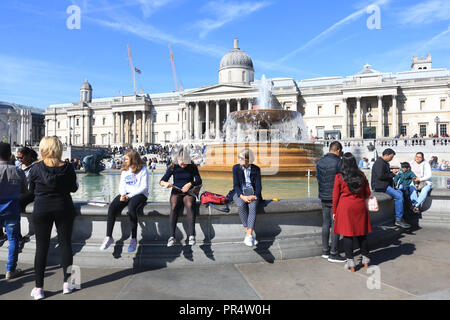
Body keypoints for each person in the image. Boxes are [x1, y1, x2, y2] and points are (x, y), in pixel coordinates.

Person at [28, 137, 79, 299]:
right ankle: (68, 284)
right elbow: (73, 188)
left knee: (41, 248)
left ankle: (38, 289)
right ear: (59, 149)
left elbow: (31, 190)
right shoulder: (68, 167)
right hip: (64, 207)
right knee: (66, 245)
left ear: (43, 148)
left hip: (42, 208)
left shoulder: (35, 168)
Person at [100, 149, 149, 252]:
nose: (124, 161)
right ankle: (109, 236)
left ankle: (134, 239)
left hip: (140, 194)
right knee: (112, 207)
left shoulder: (143, 169)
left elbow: (144, 187)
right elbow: (122, 185)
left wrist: (129, 196)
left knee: (131, 209)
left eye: (126, 159)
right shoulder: (125, 170)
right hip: (126, 194)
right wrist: (122, 194)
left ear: (133, 159)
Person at [332, 153, 372, 272]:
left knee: (347, 235)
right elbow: (367, 193)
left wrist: (334, 211)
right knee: (362, 234)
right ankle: (365, 259)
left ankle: (351, 261)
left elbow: (335, 196)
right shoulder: (362, 175)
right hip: (359, 206)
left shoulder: (339, 177)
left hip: (345, 207)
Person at [160, 148, 202, 247]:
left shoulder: (192, 167)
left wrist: (190, 184)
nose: (182, 165)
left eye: (184, 163)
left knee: (190, 204)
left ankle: (192, 235)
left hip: (189, 191)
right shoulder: (173, 167)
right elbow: (162, 180)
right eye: (180, 163)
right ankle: (171, 236)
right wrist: (165, 184)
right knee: (174, 206)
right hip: (176, 190)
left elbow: (199, 180)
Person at [0, 142, 27, 280]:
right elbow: (25, 191)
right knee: (13, 239)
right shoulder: (19, 171)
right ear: (9, 153)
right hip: (12, 209)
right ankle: (11, 270)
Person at [316, 141, 346, 262]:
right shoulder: (339, 162)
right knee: (335, 224)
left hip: (323, 195)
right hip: (335, 197)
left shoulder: (319, 162)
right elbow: (343, 180)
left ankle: (325, 251)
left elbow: (318, 177)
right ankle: (334, 253)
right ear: (338, 150)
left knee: (325, 223)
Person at [371, 149, 410, 229]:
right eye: (391, 157)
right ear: (387, 155)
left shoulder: (383, 162)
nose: (391, 159)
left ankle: (402, 216)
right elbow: (380, 176)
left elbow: (384, 174)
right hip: (380, 186)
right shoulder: (379, 163)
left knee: (401, 192)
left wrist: (392, 173)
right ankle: (398, 219)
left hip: (383, 185)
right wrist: (392, 174)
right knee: (398, 196)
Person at [232, 149, 262, 247]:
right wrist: (242, 196)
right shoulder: (236, 168)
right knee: (241, 204)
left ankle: (248, 235)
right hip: (239, 193)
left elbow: (259, 186)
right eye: (239, 157)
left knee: (253, 206)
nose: (239, 159)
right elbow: (236, 185)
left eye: (241, 158)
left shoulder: (256, 169)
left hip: (253, 193)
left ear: (248, 160)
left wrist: (254, 196)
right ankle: (250, 235)